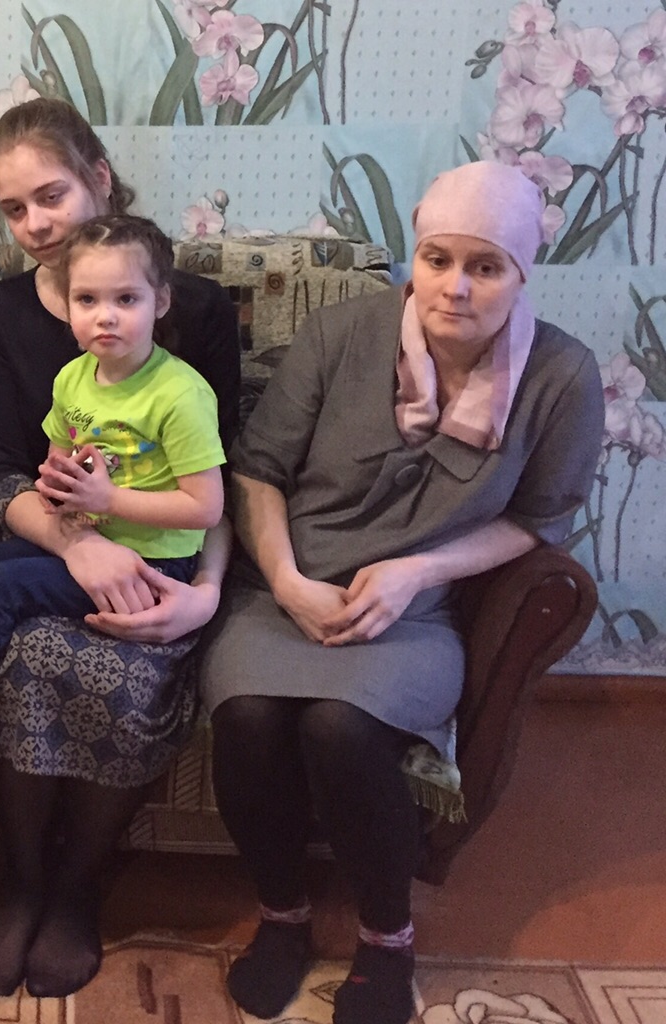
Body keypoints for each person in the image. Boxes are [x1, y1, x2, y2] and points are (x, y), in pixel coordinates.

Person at [201, 161, 604, 1024]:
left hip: (415, 613)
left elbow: (540, 519)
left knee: (339, 728)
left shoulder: (563, 376)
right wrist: (286, 582)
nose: (453, 288)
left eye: (485, 267)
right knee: (247, 719)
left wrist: (420, 569)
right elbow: (258, 471)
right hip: (284, 585)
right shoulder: (343, 333)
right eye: (437, 259)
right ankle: (282, 915)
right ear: (414, 258)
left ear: (523, 272)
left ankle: (387, 936)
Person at [0, 97, 240, 999]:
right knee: (32, 657)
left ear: (100, 180)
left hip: (166, 554)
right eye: (14, 209)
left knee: (123, 669)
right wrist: (77, 545)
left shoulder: (192, 307)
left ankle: (77, 888)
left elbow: (226, 473)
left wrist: (206, 593)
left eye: (52, 195)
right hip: (49, 541)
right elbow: (3, 470)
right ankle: (22, 883)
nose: (36, 224)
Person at [0, 214, 225, 812]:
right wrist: (58, 485)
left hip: (153, 563)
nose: (105, 316)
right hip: (87, 537)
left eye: (126, 299)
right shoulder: (73, 378)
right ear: (67, 304)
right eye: (87, 300)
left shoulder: (180, 394)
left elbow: (205, 506)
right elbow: (58, 460)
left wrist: (109, 500)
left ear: (161, 302)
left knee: (1, 590)